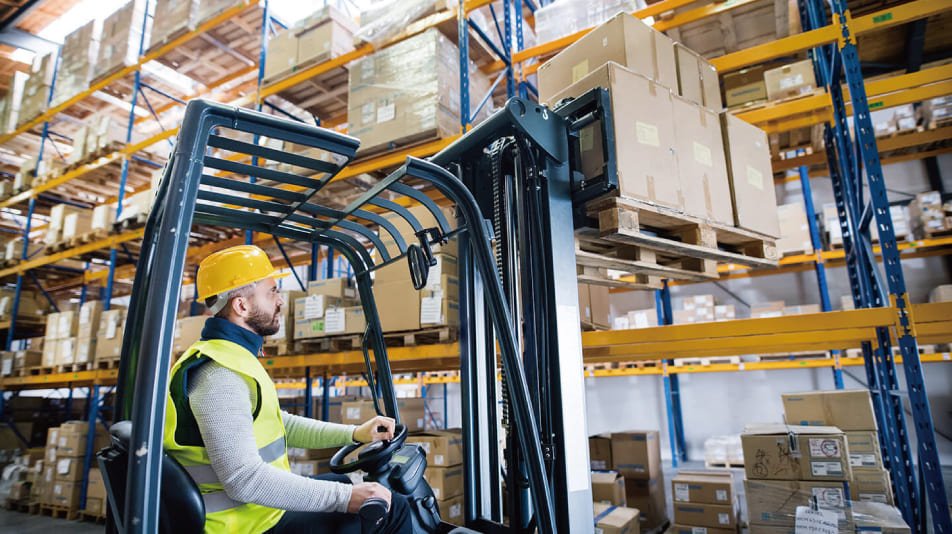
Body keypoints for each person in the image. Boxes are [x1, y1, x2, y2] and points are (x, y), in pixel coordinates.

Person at [164, 245, 412, 534]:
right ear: (241, 306)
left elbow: (279, 424)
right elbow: (244, 480)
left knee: (358, 486)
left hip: (259, 512)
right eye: (271, 292)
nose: (281, 301)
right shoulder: (220, 374)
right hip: (246, 526)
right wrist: (345, 499)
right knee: (394, 508)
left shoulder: (232, 358)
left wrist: (354, 433)